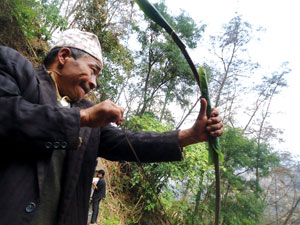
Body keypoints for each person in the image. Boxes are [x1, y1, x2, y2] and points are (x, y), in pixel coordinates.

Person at [0, 29, 223, 225]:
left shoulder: (87, 114)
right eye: (93, 70)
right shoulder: (17, 71)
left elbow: (128, 143)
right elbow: (10, 116)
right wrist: (83, 117)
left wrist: (189, 136)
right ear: (64, 56)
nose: (94, 83)